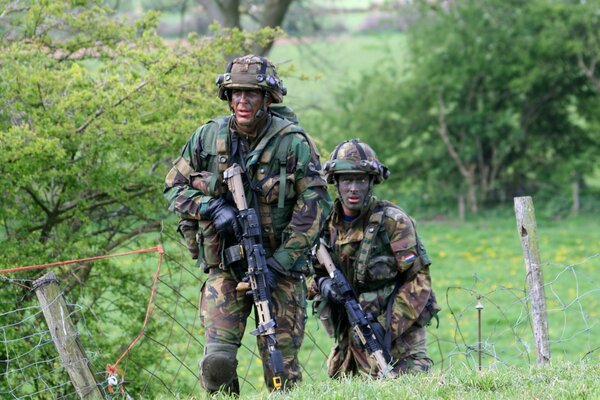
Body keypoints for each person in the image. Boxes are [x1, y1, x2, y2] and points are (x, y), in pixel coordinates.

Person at [164, 55, 331, 394]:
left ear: (268, 98)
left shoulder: (293, 143)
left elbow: (315, 206)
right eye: (236, 94)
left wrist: (278, 263)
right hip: (225, 267)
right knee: (217, 366)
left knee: (281, 371)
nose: (242, 101)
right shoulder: (206, 138)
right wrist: (211, 207)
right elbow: (173, 188)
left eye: (251, 94)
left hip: (279, 269)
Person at [308, 138, 440, 378]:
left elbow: (419, 281)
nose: (354, 188)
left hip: (399, 344)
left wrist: (383, 326)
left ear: (371, 182)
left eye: (361, 180)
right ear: (335, 183)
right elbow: (307, 275)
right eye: (347, 180)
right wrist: (322, 285)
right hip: (348, 346)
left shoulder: (393, 222)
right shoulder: (325, 225)